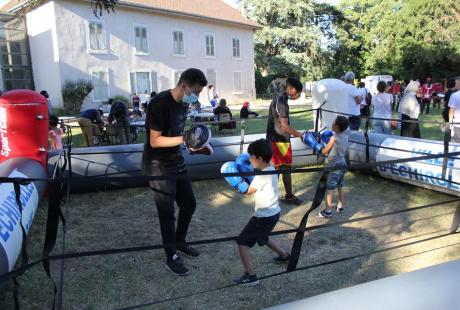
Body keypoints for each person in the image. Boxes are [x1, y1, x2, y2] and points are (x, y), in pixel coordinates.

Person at [142, 68, 208, 276]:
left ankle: (179, 242)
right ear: (184, 85)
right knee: (167, 212)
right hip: (157, 164)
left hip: (176, 160)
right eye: (195, 91)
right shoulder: (160, 103)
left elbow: (178, 135)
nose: (196, 96)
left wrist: (198, 146)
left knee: (189, 203)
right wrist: (185, 139)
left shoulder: (183, 105)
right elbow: (155, 140)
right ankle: (171, 256)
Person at [228, 139, 290, 286]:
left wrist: (235, 182)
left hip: (264, 216)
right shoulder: (271, 168)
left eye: (251, 157)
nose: (249, 160)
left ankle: (251, 276)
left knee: (242, 242)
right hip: (274, 213)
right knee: (263, 237)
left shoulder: (262, 176)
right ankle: (284, 255)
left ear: (260, 158)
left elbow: (247, 191)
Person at [266, 77, 304, 205]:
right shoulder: (281, 101)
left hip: (281, 140)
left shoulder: (280, 98)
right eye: (297, 92)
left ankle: (288, 196)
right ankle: (269, 199)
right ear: (290, 88)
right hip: (278, 140)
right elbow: (284, 126)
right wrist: (301, 135)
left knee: (286, 168)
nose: (298, 95)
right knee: (277, 170)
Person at [302, 117, 350, 218]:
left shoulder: (334, 138)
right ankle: (340, 206)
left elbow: (324, 151)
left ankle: (327, 210)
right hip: (343, 164)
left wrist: (314, 144)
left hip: (335, 165)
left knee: (330, 187)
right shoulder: (345, 136)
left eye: (333, 122)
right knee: (340, 185)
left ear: (336, 126)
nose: (331, 123)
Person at [448, 76, 460, 142]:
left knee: (457, 144)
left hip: (458, 123)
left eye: (456, 83)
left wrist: (450, 123)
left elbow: (451, 110)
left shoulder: (455, 95)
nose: (455, 85)